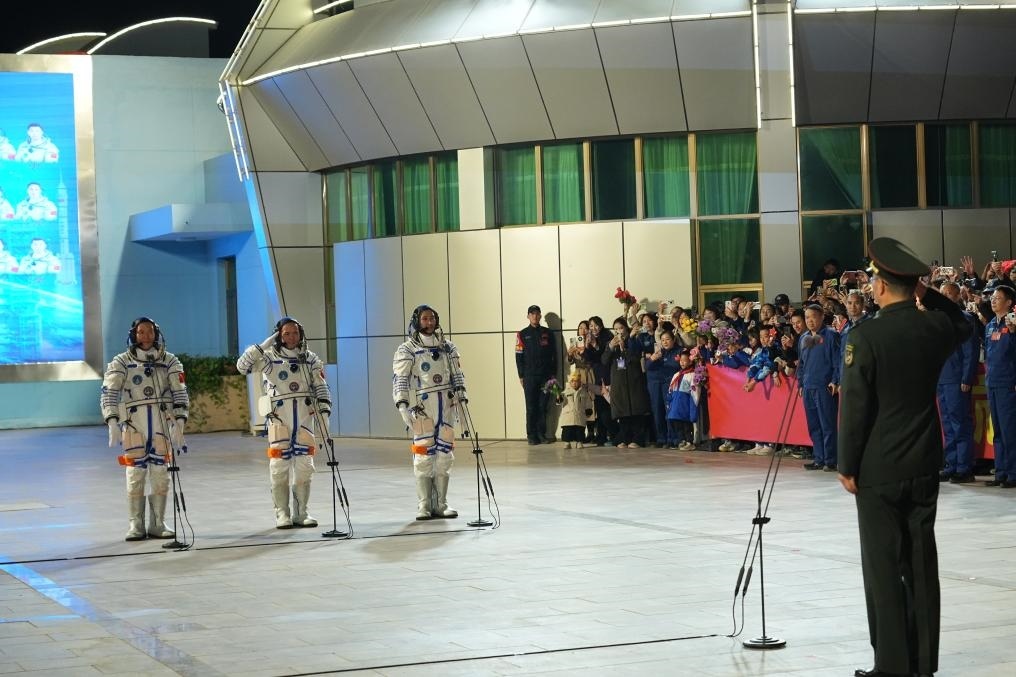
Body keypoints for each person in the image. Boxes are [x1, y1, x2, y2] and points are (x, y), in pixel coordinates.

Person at [838, 237, 973, 677]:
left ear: (880, 286)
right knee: (920, 565)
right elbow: (963, 322)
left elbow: (855, 408)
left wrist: (847, 465)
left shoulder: (865, 336)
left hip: (878, 469)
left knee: (882, 568)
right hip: (923, 461)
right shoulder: (933, 329)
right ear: (913, 286)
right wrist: (925, 293)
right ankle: (922, 664)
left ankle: (891, 666)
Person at [237, 317, 331, 529]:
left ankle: (301, 512)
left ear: (301, 334)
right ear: (278, 335)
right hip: (279, 419)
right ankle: (282, 513)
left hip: (304, 418)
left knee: (305, 467)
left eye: (295, 333)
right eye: (286, 333)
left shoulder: (310, 359)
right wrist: (262, 346)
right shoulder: (269, 358)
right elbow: (242, 367)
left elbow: (321, 386)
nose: (291, 337)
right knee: (279, 467)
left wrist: (325, 412)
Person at [100, 318, 189, 541]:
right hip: (134, 425)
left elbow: (180, 392)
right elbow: (109, 392)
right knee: (135, 475)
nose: (146, 336)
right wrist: (112, 420)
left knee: (161, 475)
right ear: (134, 335)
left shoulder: (169, 361)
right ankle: (136, 524)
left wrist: (180, 421)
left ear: (156, 334)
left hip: (160, 424)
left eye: (149, 332)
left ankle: (158, 523)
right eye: (141, 332)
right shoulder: (122, 362)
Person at [392, 305, 466, 519]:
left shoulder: (447, 347)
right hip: (423, 408)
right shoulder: (407, 349)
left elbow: (457, 375)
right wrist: (402, 404)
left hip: (446, 405)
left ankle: (441, 504)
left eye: (432, 318)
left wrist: (462, 398)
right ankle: (424, 505)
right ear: (417, 321)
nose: (429, 322)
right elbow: (400, 379)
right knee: (424, 456)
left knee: (444, 456)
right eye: (425, 319)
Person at [936, 282, 980, 484]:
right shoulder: (938, 319)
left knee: (960, 422)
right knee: (947, 424)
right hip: (942, 378)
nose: (944, 296)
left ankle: (964, 467)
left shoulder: (965, 319)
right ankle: (951, 464)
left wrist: (966, 377)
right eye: (942, 293)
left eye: (948, 294)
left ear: (956, 297)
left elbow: (971, 351)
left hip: (956, 378)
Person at [798, 304, 840, 471]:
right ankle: (819, 458)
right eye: (807, 317)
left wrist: (835, 380)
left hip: (824, 387)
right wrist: (801, 383)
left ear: (822, 317)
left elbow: (837, 361)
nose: (810, 320)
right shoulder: (803, 338)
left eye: (813, 316)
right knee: (813, 425)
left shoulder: (831, 335)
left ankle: (830, 460)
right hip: (808, 386)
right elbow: (801, 364)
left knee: (827, 424)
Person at [983, 285, 1016, 488]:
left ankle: (1013, 473)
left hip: (1007, 382)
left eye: (998, 298)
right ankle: (1001, 471)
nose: (993, 300)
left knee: (1009, 429)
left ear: (1009, 302)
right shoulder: (989, 326)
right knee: (997, 431)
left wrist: (1013, 333)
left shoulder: (1013, 324)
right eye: (992, 298)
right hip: (992, 382)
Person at [603, 316, 650, 448]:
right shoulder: (611, 343)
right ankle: (624, 438)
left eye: (621, 328)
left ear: (626, 328)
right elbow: (604, 361)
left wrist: (625, 348)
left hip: (633, 379)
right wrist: (611, 347)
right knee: (622, 410)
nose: (619, 331)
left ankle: (637, 439)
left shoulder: (633, 339)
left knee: (635, 409)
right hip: (618, 381)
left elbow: (636, 357)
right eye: (616, 329)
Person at [516, 304, 557, 445]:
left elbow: (554, 355)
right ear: (528, 316)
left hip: (546, 377)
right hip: (529, 377)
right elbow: (518, 356)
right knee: (531, 407)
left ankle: (541, 434)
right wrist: (521, 376)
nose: (535, 316)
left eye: (537, 313)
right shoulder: (522, 334)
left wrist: (553, 375)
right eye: (532, 313)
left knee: (543, 406)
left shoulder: (548, 333)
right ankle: (531, 435)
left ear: (540, 316)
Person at [558, 371, 593, 449]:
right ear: (570, 382)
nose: (575, 383)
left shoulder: (584, 392)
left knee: (579, 430)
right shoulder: (565, 392)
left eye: (577, 381)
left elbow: (588, 402)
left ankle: (579, 442)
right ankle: (567, 442)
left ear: (580, 382)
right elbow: (560, 401)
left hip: (580, 415)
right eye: (573, 381)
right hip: (568, 416)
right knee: (567, 431)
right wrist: (558, 397)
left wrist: (588, 409)